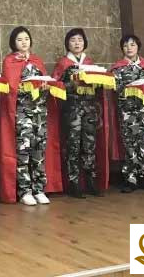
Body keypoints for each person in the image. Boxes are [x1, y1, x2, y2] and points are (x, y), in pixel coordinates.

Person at [0, 26, 51, 206]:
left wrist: (45, 87)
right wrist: (23, 87)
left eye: (26, 39)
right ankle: (25, 190)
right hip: (22, 112)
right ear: (13, 43)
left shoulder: (37, 61)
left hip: (40, 112)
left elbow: (46, 84)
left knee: (39, 149)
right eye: (20, 39)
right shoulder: (9, 61)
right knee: (24, 150)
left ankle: (39, 189)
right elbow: (9, 88)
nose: (24, 42)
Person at [52, 28, 102, 198]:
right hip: (72, 110)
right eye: (73, 40)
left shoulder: (90, 63)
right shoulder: (63, 63)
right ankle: (73, 183)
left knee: (90, 145)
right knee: (73, 146)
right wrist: (70, 85)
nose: (77, 43)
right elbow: (56, 86)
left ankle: (90, 181)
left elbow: (98, 88)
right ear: (68, 44)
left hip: (89, 110)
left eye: (80, 40)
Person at [111, 34, 144, 193]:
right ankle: (130, 178)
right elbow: (114, 88)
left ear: (138, 47)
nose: (129, 48)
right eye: (125, 45)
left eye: (132, 45)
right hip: (127, 111)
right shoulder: (117, 67)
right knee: (130, 143)